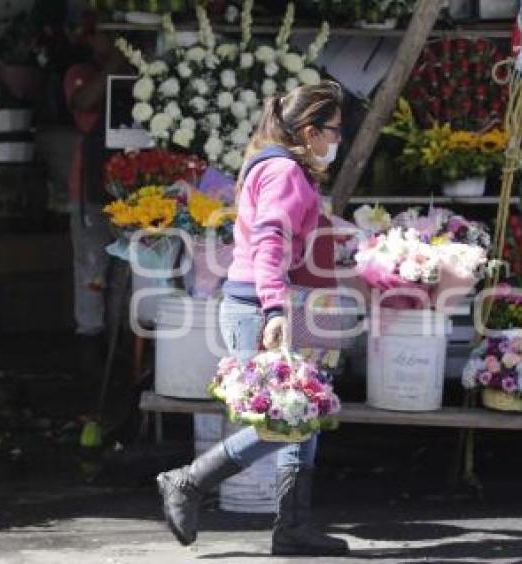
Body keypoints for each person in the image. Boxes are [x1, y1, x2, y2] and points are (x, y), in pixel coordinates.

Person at [156, 82, 349, 557]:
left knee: (302, 412)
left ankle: (294, 527)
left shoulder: (282, 167)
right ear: (309, 131)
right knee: (284, 414)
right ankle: (190, 481)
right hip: (263, 307)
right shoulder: (284, 171)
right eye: (334, 130)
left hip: (282, 303)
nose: (337, 140)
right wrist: (275, 309)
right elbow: (269, 242)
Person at [63, 28, 126, 404]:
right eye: (106, 35)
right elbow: (83, 101)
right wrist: (118, 63)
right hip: (88, 189)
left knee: (123, 273)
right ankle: (89, 343)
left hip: (132, 187)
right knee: (91, 269)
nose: (112, 42)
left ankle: (119, 346)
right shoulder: (79, 73)